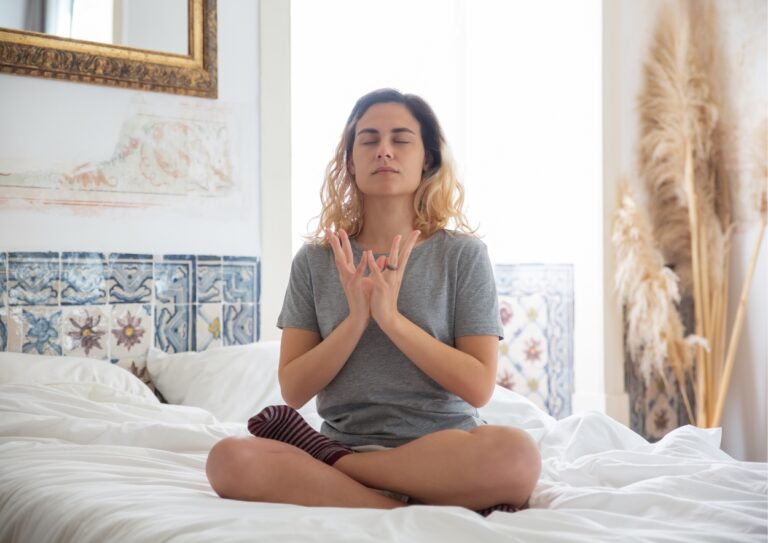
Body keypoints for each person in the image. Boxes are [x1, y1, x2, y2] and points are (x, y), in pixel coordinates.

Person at [206, 88, 541, 515]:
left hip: (442, 449)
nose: (384, 151)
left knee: (516, 456)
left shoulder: (462, 255)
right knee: (228, 460)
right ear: (350, 160)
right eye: (368, 140)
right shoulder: (315, 261)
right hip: (342, 438)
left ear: (427, 159)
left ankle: (350, 475)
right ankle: (395, 507)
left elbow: (478, 387)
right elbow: (293, 390)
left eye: (400, 139)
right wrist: (355, 321)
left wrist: (391, 319)